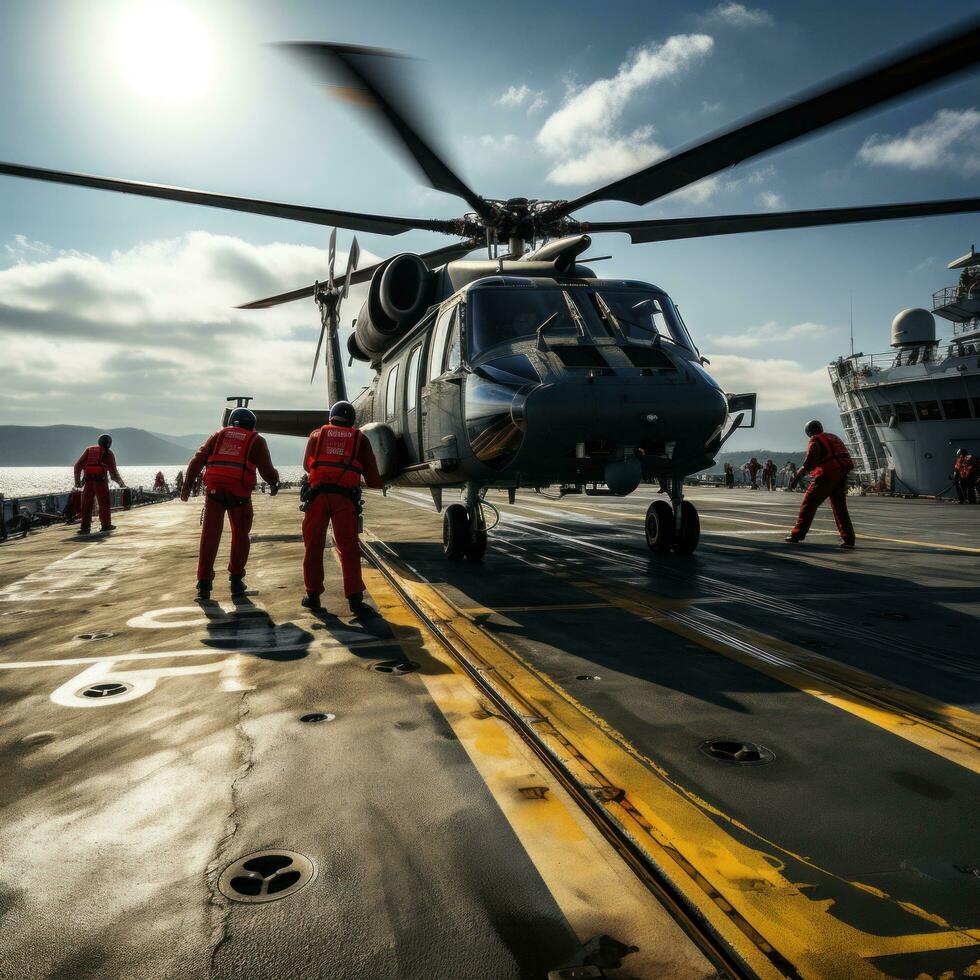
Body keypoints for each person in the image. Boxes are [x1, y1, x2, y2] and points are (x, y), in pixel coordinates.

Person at [182, 408, 279, 600]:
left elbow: (197, 459)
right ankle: (235, 580)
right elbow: (266, 470)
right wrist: (274, 483)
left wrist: (187, 485)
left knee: (209, 537)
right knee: (241, 535)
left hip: (214, 492)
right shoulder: (255, 440)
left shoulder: (218, 435)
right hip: (239, 494)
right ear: (251, 425)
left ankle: (204, 584)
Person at [301, 400, 383, 615]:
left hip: (317, 498)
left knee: (313, 546)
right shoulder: (359, 438)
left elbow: (306, 465)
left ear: (331, 418)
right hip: (344, 500)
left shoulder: (316, 435)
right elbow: (373, 478)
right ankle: (355, 600)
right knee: (348, 548)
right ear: (352, 420)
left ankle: (312, 596)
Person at [786, 420, 856, 548]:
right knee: (839, 506)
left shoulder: (815, 440)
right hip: (843, 472)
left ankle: (797, 534)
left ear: (808, 432)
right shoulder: (833, 437)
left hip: (828, 473)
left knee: (808, 503)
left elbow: (809, 463)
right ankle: (849, 539)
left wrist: (796, 478)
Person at [73, 433, 126, 535]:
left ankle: (85, 527)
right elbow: (114, 473)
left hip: (88, 482)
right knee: (104, 504)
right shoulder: (109, 454)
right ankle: (106, 526)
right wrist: (121, 484)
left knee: (86, 504)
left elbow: (77, 466)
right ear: (109, 443)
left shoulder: (89, 450)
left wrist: (77, 482)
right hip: (100, 482)